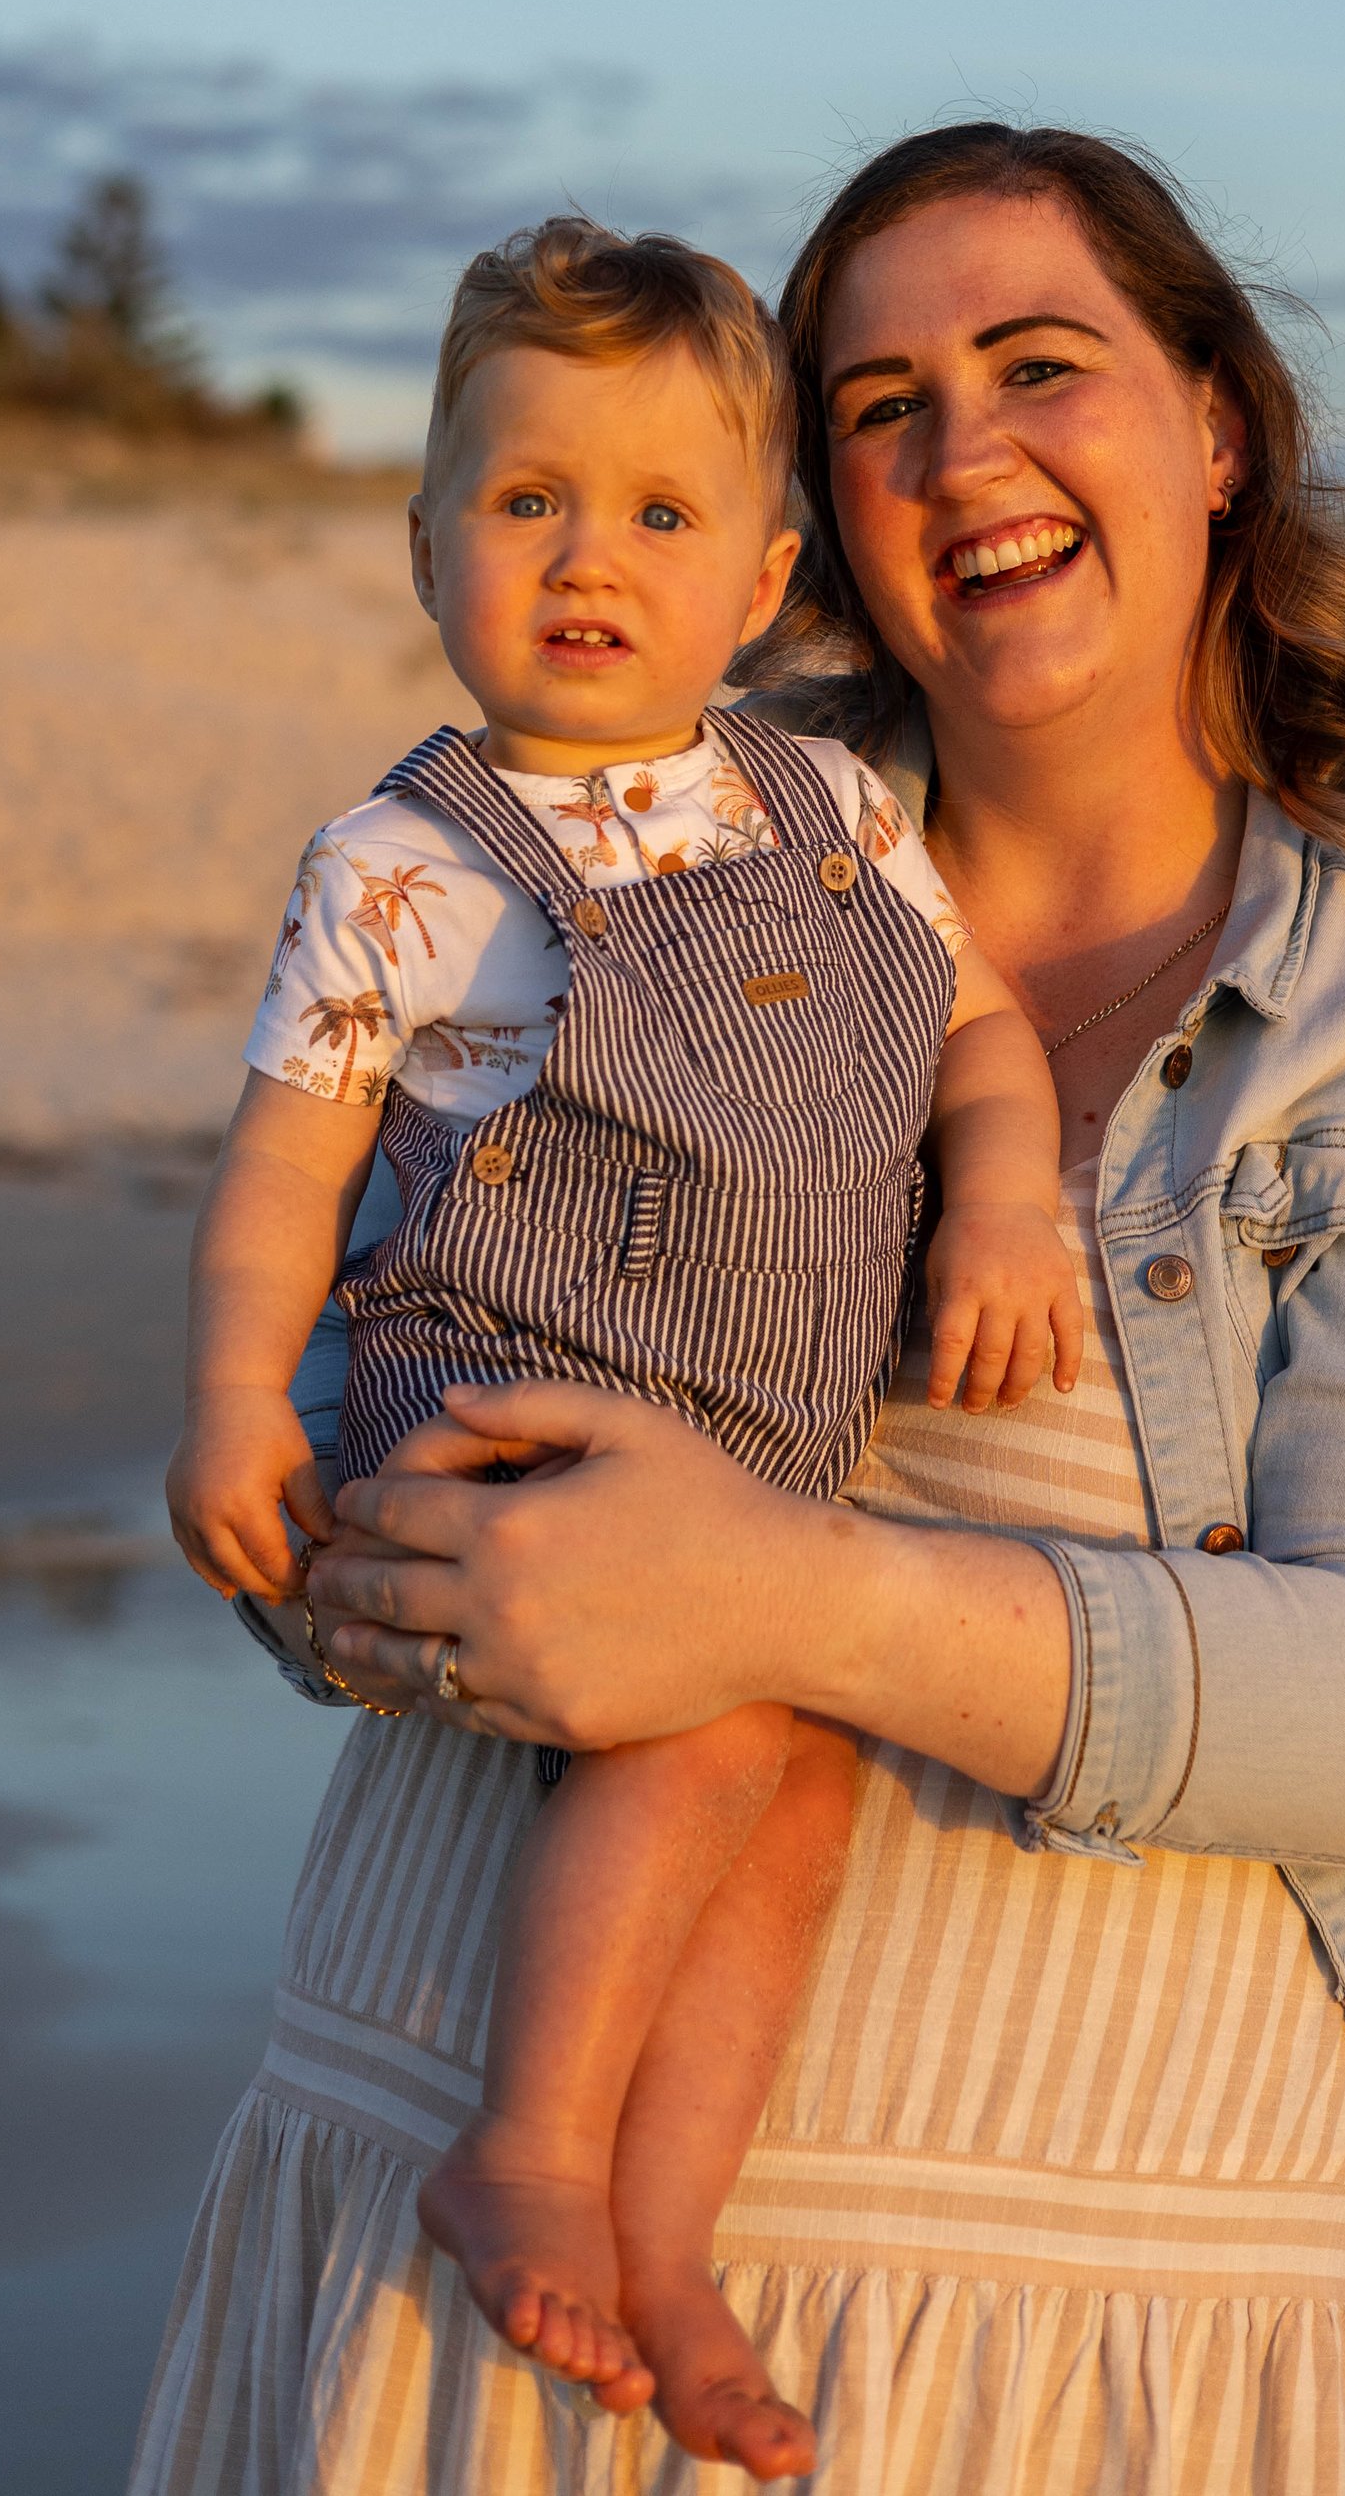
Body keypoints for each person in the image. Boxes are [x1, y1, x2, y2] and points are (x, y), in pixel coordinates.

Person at [132, 123, 1345, 2496]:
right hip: (436, 2243)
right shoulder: (613, 816)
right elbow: (330, 1396)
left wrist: (786, 1606)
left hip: (1087, 2367)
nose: (964, 453)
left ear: (1214, 425)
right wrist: (400, 1568)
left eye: (1038, 364)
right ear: (816, 518)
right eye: (876, 406)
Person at [161, 215, 1076, 2481]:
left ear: (762, 579)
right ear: (426, 543)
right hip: (492, 1413)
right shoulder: (401, 858)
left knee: (803, 1774)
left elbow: (972, 1036)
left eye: (659, 514)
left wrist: (1014, 1196)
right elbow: (290, 1171)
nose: (590, 556)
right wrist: (223, 1404)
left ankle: (662, 2240)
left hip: (751, 1446)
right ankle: (534, 2150)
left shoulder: (830, 806)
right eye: (526, 499)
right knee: (706, 1722)